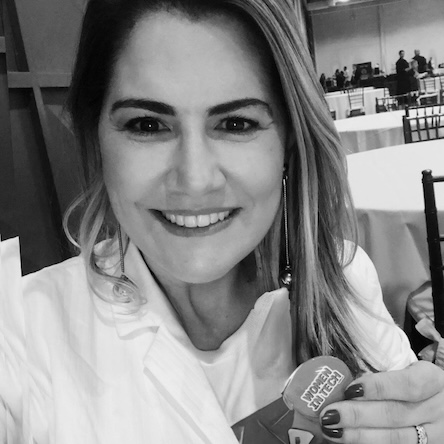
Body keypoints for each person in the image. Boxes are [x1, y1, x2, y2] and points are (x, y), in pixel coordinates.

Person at [1, 1, 444, 443]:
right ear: (95, 137)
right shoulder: (20, 333)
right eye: (147, 125)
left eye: (235, 123)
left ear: (289, 142)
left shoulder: (344, 276)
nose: (195, 181)